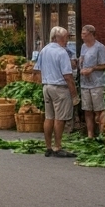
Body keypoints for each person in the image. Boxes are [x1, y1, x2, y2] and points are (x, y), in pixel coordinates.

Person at [34, 26, 76, 158]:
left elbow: (36, 70)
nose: (66, 41)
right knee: (60, 118)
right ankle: (57, 147)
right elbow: (68, 76)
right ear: (57, 38)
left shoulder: (44, 50)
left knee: (49, 117)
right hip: (60, 88)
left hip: (47, 86)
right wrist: (74, 94)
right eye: (65, 38)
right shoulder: (62, 52)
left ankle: (48, 147)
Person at [77, 25, 105, 138]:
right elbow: (82, 60)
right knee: (87, 109)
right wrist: (80, 62)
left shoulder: (100, 47)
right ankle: (90, 134)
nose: (82, 36)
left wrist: (92, 69)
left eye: (84, 34)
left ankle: (101, 133)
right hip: (84, 83)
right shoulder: (83, 47)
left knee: (99, 109)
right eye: (82, 34)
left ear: (91, 34)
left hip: (97, 83)